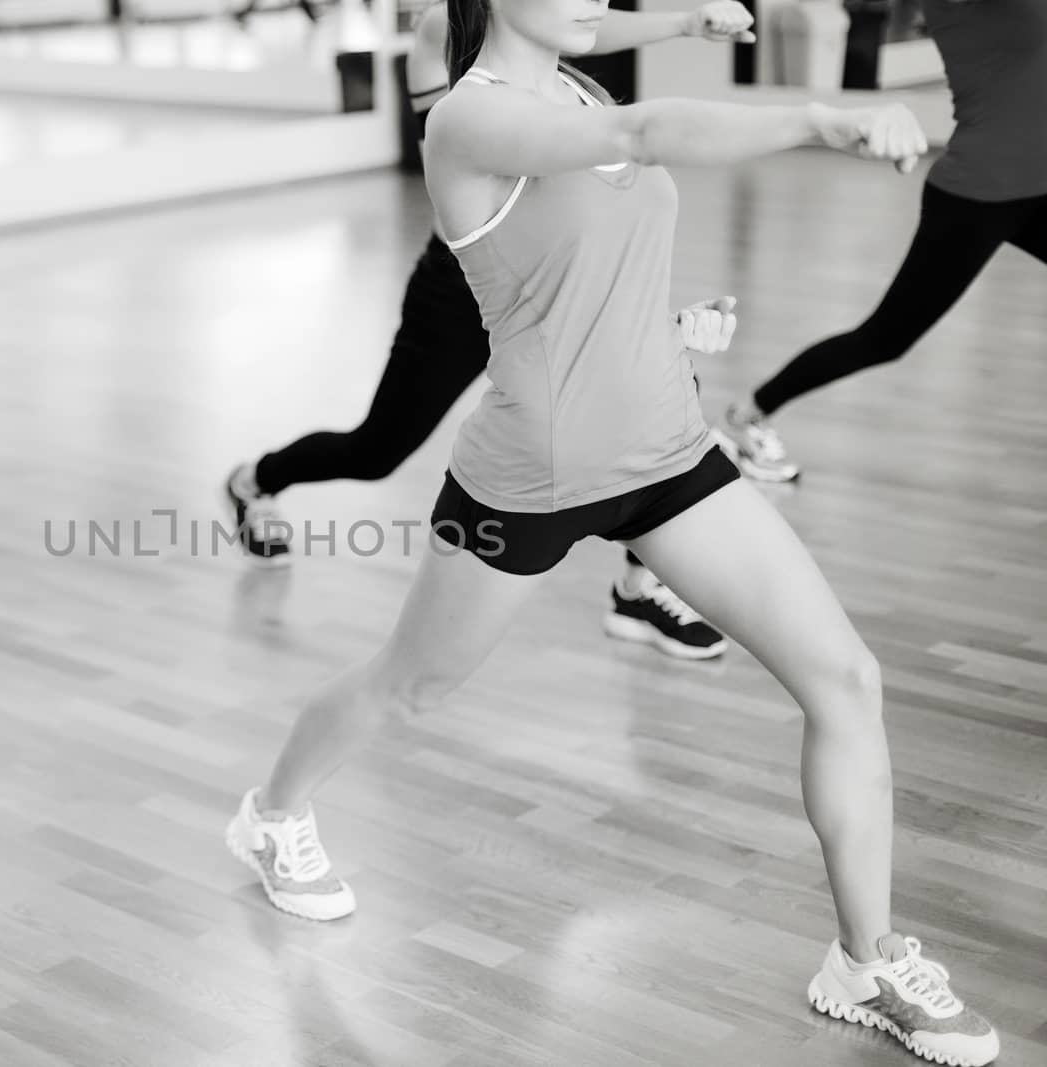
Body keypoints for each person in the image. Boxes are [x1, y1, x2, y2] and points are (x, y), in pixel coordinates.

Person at [225, 1, 1000, 1063]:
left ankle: (864, 959)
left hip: (667, 451)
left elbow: (581, 248)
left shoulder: (576, 80)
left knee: (846, 679)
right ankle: (272, 814)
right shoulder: (465, 119)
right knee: (412, 683)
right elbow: (637, 141)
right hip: (531, 477)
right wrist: (823, 118)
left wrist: (666, 323)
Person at [225, 1, 758, 660]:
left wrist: (681, 24)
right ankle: (256, 480)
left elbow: (576, 23)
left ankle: (638, 587)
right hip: (470, 287)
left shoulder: (551, 39)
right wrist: (677, 26)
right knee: (376, 450)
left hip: (559, 265)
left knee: (651, 404)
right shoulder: (444, 32)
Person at [718, 0, 1047, 507]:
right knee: (884, 339)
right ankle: (749, 415)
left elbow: (1025, 71)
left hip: (1046, 187)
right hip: (977, 196)